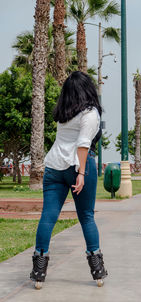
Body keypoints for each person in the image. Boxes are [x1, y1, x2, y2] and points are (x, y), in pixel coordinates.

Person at [30, 71, 107, 289]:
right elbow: (83, 144)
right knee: (86, 216)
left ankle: (38, 272)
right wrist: (81, 173)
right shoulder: (90, 113)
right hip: (77, 166)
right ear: (88, 88)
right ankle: (97, 270)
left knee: (48, 217)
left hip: (54, 167)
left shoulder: (64, 112)